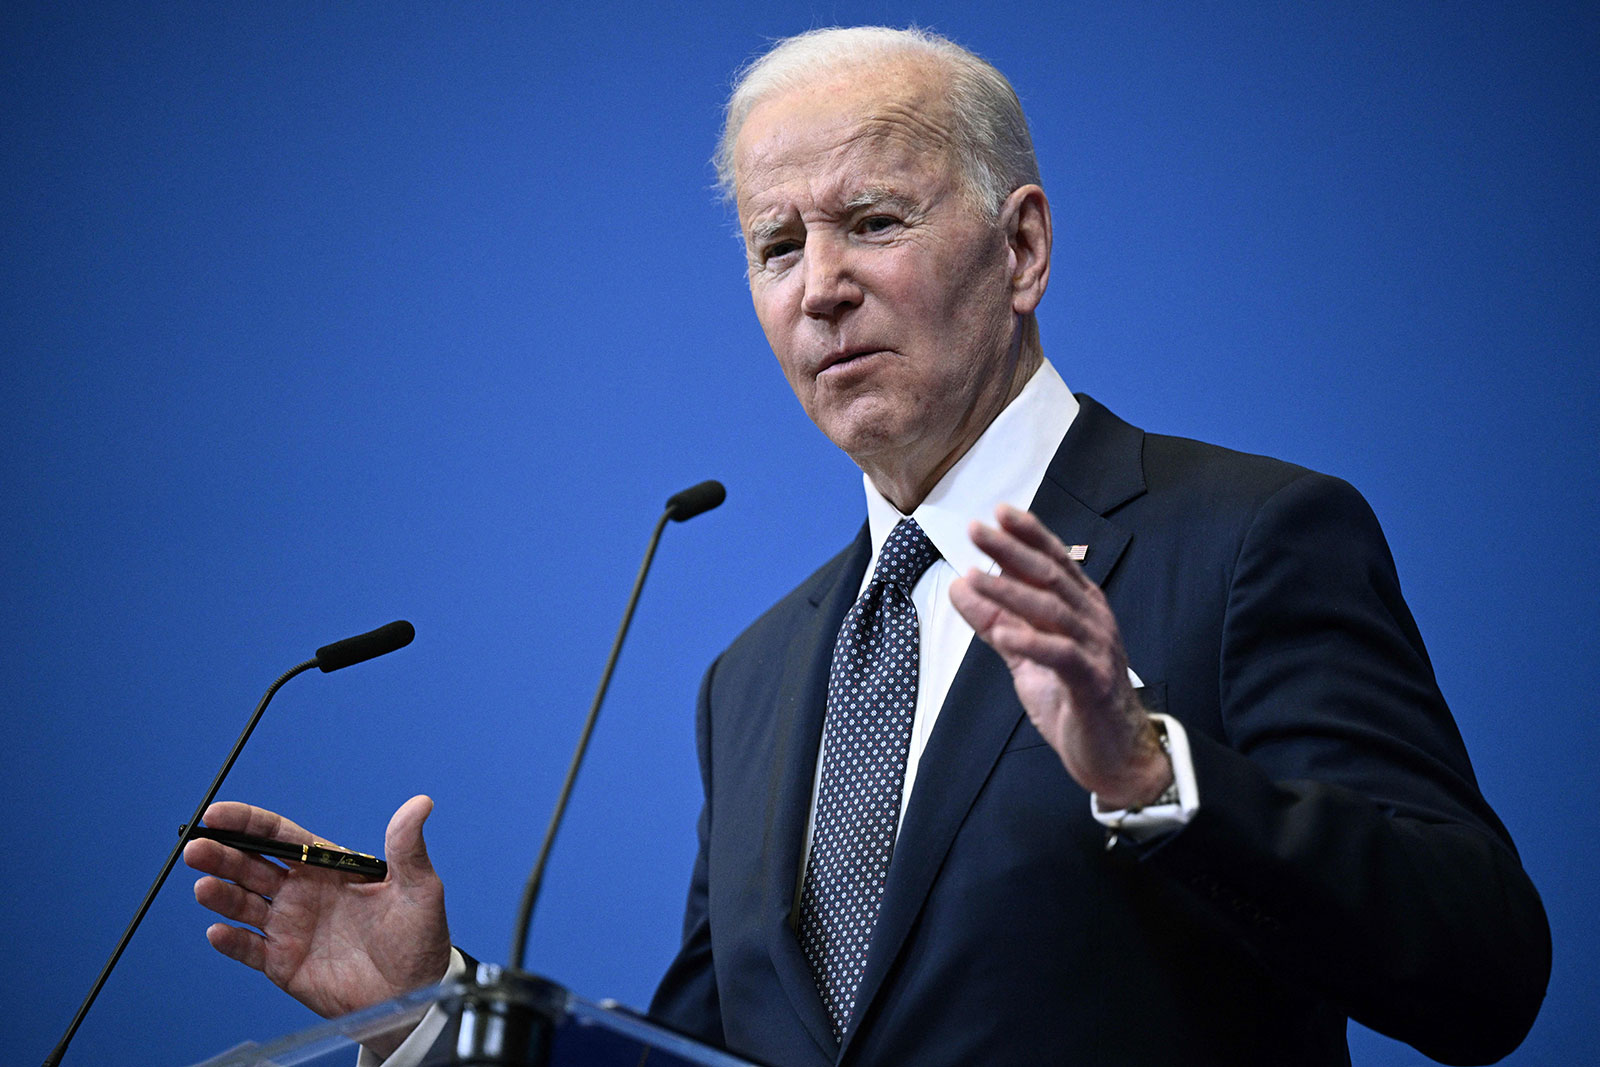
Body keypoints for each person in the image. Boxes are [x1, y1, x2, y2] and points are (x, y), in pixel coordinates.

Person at [186, 26, 1551, 1066]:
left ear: (1020, 250)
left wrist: (1144, 772)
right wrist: (429, 1016)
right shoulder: (756, 675)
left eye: (873, 222)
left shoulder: (1249, 538)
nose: (821, 284)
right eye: (777, 245)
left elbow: (1483, 971)